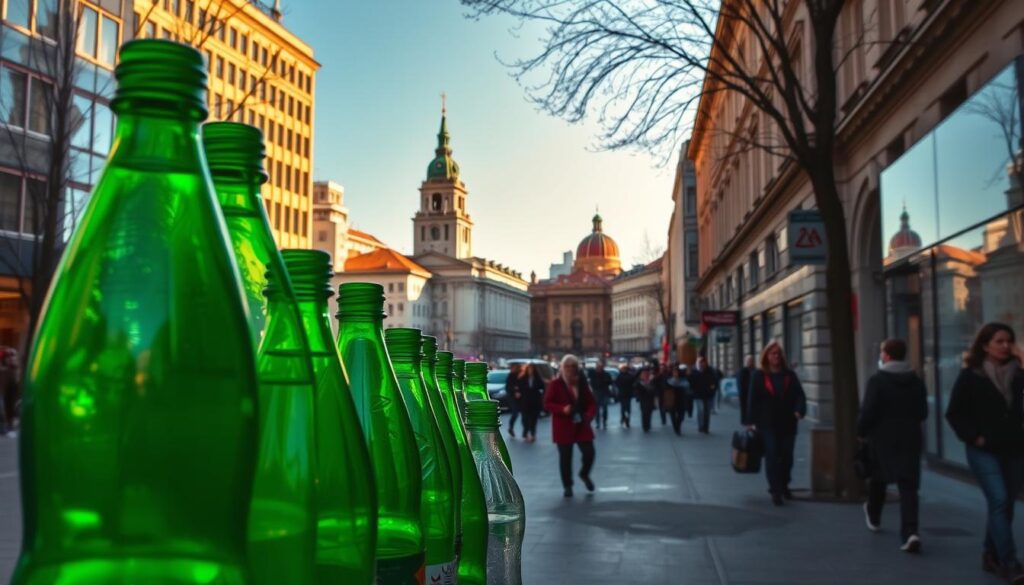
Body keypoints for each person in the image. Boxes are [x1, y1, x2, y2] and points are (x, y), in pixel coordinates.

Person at [946, 323, 1024, 583]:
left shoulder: (1018, 374)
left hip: (1014, 448)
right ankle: (1008, 562)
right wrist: (974, 437)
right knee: (1000, 500)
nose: (1005, 346)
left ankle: (990, 554)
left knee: (1004, 505)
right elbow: (954, 412)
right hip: (983, 450)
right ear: (985, 345)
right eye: (999, 341)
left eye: (1008, 341)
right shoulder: (971, 376)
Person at [857, 338, 928, 554]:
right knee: (908, 487)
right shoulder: (916, 381)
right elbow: (922, 412)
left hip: (882, 439)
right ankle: (910, 532)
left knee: (879, 478)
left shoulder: (877, 381)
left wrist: (860, 432)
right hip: (909, 439)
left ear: (886, 355)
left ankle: (874, 514)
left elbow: (867, 412)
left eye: (881, 352)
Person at [746, 341, 806, 506]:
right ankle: (775, 490)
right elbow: (753, 399)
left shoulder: (789, 376)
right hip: (767, 423)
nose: (776, 356)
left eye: (778, 354)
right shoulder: (759, 376)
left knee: (787, 457)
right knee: (772, 455)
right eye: (773, 353)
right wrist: (751, 421)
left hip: (787, 423)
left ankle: (784, 484)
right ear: (766, 356)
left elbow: (800, 395)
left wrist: (799, 410)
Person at [544, 354, 597, 497]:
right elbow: (547, 403)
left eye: (573, 366)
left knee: (589, 453)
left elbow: (591, 402)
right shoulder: (555, 384)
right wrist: (562, 409)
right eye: (567, 366)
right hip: (563, 425)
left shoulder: (582, 383)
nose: (570, 369)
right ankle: (567, 485)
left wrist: (589, 415)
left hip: (581, 424)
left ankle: (584, 474)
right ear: (562, 367)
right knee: (565, 458)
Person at [513, 364, 544, 443]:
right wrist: (517, 393)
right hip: (525, 402)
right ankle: (525, 433)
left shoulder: (538, 379)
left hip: (535, 402)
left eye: (532, 369)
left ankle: (533, 434)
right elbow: (517, 387)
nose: (530, 371)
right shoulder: (522, 378)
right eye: (529, 369)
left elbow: (543, 387)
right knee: (525, 418)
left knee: (533, 419)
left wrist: (540, 394)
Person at [688, 357, 719, 434]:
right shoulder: (695, 372)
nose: (702, 364)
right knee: (701, 411)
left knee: (707, 412)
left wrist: (712, 389)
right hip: (699, 395)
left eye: (703, 362)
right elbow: (691, 383)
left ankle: (706, 427)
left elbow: (715, 381)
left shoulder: (711, 371)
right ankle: (701, 426)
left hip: (708, 395)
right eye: (700, 362)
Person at [588, 361, 614, 430]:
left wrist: (606, 383)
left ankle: (604, 422)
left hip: (604, 393)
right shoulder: (593, 375)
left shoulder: (606, 374)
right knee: (597, 409)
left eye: (600, 367)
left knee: (605, 408)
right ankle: (598, 422)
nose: (599, 368)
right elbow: (591, 382)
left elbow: (610, 382)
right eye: (598, 367)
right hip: (596, 393)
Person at [667, 364, 690, 435]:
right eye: (674, 372)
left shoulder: (683, 380)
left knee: (681, 415)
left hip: (681, 400)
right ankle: (676, 428)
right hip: (672, 400)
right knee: (673, 415)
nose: (675, 373)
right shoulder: (669, 380)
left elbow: (687, 386)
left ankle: (678, 426)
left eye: (676, 372)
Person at [634, 367, 658, 432]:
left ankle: (648, 424)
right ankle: (645, 426)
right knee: (644, 412)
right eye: (644, 373)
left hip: (650, 399)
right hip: (643, 399)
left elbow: (655, 388)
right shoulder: (639, 382)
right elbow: (637, 389)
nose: (645, 375)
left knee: (649, 412)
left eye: (646, 373)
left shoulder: (651, 380)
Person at [737, 355, 756, 426]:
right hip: (744, 393)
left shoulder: (754, 370)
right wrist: (741, 393)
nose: (750, 362)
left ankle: (750, 420)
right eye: (748, 361)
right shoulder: (742, 371)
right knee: (744, 407)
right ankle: (745, 421)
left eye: (751, 360)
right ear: (745, 362)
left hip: (752, 392)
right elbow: (740, 383)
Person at [505, 364, 522, 438]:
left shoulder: (521, 375)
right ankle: (511, 427)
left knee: (524, 414)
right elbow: (508, 387)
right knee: (515, 413)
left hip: (521, 398)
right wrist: (515, 391)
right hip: (512, 397)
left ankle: (526, 430)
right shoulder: (511, 376)